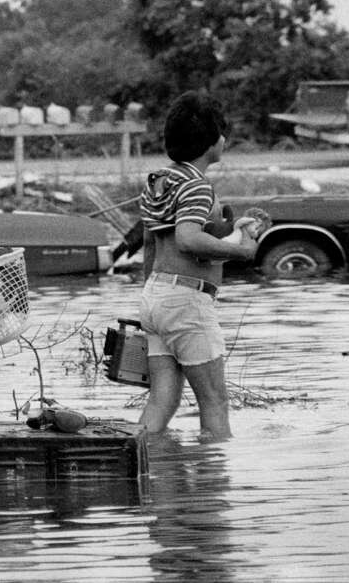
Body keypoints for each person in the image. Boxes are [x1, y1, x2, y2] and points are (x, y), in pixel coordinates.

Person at [136, 92, 259, 440]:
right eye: (222, 133)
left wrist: (226, 233)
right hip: (186, 302)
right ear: (212, 143)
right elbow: (188, 239)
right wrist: (243, 251)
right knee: (215, 402)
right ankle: (212, 490)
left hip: (155, 297)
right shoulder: (198, 186)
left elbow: (152, 242)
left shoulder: (159, 181)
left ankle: (145, 470)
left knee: (163, 399)